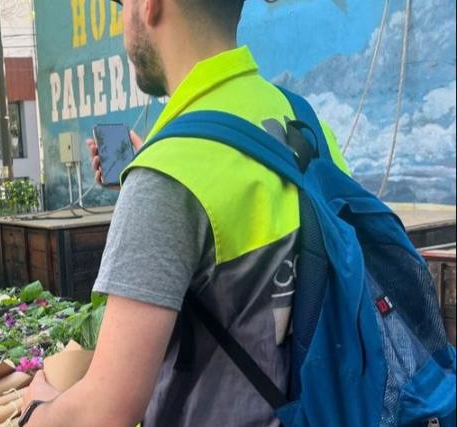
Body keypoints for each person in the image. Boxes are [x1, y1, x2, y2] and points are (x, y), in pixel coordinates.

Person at [21, 1, 350, 426]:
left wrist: (36, 406)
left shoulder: (170, 172)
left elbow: (103, 414)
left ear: (149, 6)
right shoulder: (305, 121)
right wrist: (152, 182)